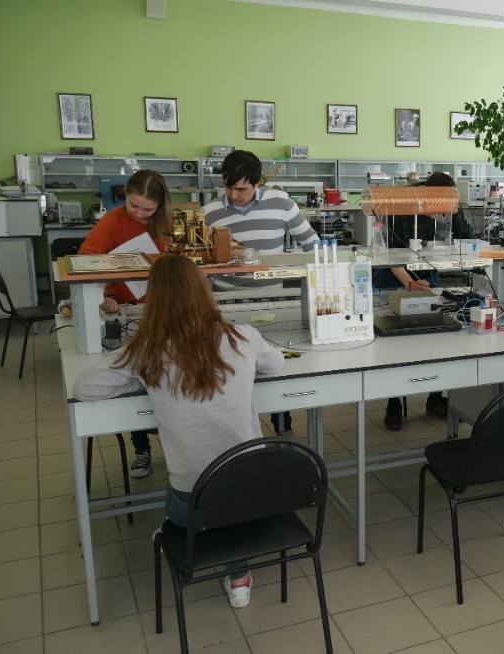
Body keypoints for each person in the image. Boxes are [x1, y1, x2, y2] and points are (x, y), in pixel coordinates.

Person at [73, 255, 284, 609]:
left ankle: (186, 533)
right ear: (204, 293)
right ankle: (239, 579)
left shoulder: (146, 352)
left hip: (189, 502)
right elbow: (275, 364)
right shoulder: (242, 337)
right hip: (252, 492)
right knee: (229, 499)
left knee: (191, 497)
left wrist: (137, 379)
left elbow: (84, 388)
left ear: (154, 301)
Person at [203, 150, 319, 437]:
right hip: (227, 304)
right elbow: (203, 263)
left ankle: (282, 425)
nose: (233, 195)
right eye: (228, 187)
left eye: (241, 189)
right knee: (233, 370)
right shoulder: (209, 212)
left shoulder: (280, 202)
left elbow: (312, 243)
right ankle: (238, 430)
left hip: (274, 303)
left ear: (258, 183)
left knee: (275, 366)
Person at [78, 169, 174, 478]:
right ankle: (141, 448)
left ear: (161, 205)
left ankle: (174, 443)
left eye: (148, 209)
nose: (140, 213)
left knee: (168, 379)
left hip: (163, 310)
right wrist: (102, 296)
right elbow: (85, 261)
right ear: (125, 197)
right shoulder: (112, 221)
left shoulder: (170, 222)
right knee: (136, 379)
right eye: (134, 206)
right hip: (126, 311)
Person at [374, 171, 474, 430]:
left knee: (436, 340)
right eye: (436, 208)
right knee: (395, 345)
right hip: (393, 277)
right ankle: (394, 402)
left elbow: (466, 240)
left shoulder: (450, 205)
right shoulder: (401, 206)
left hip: (428, 278)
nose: (440, 214)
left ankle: (435, 398)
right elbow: (388, 254)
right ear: (427, 196)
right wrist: (409, 283)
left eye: (446, 209)